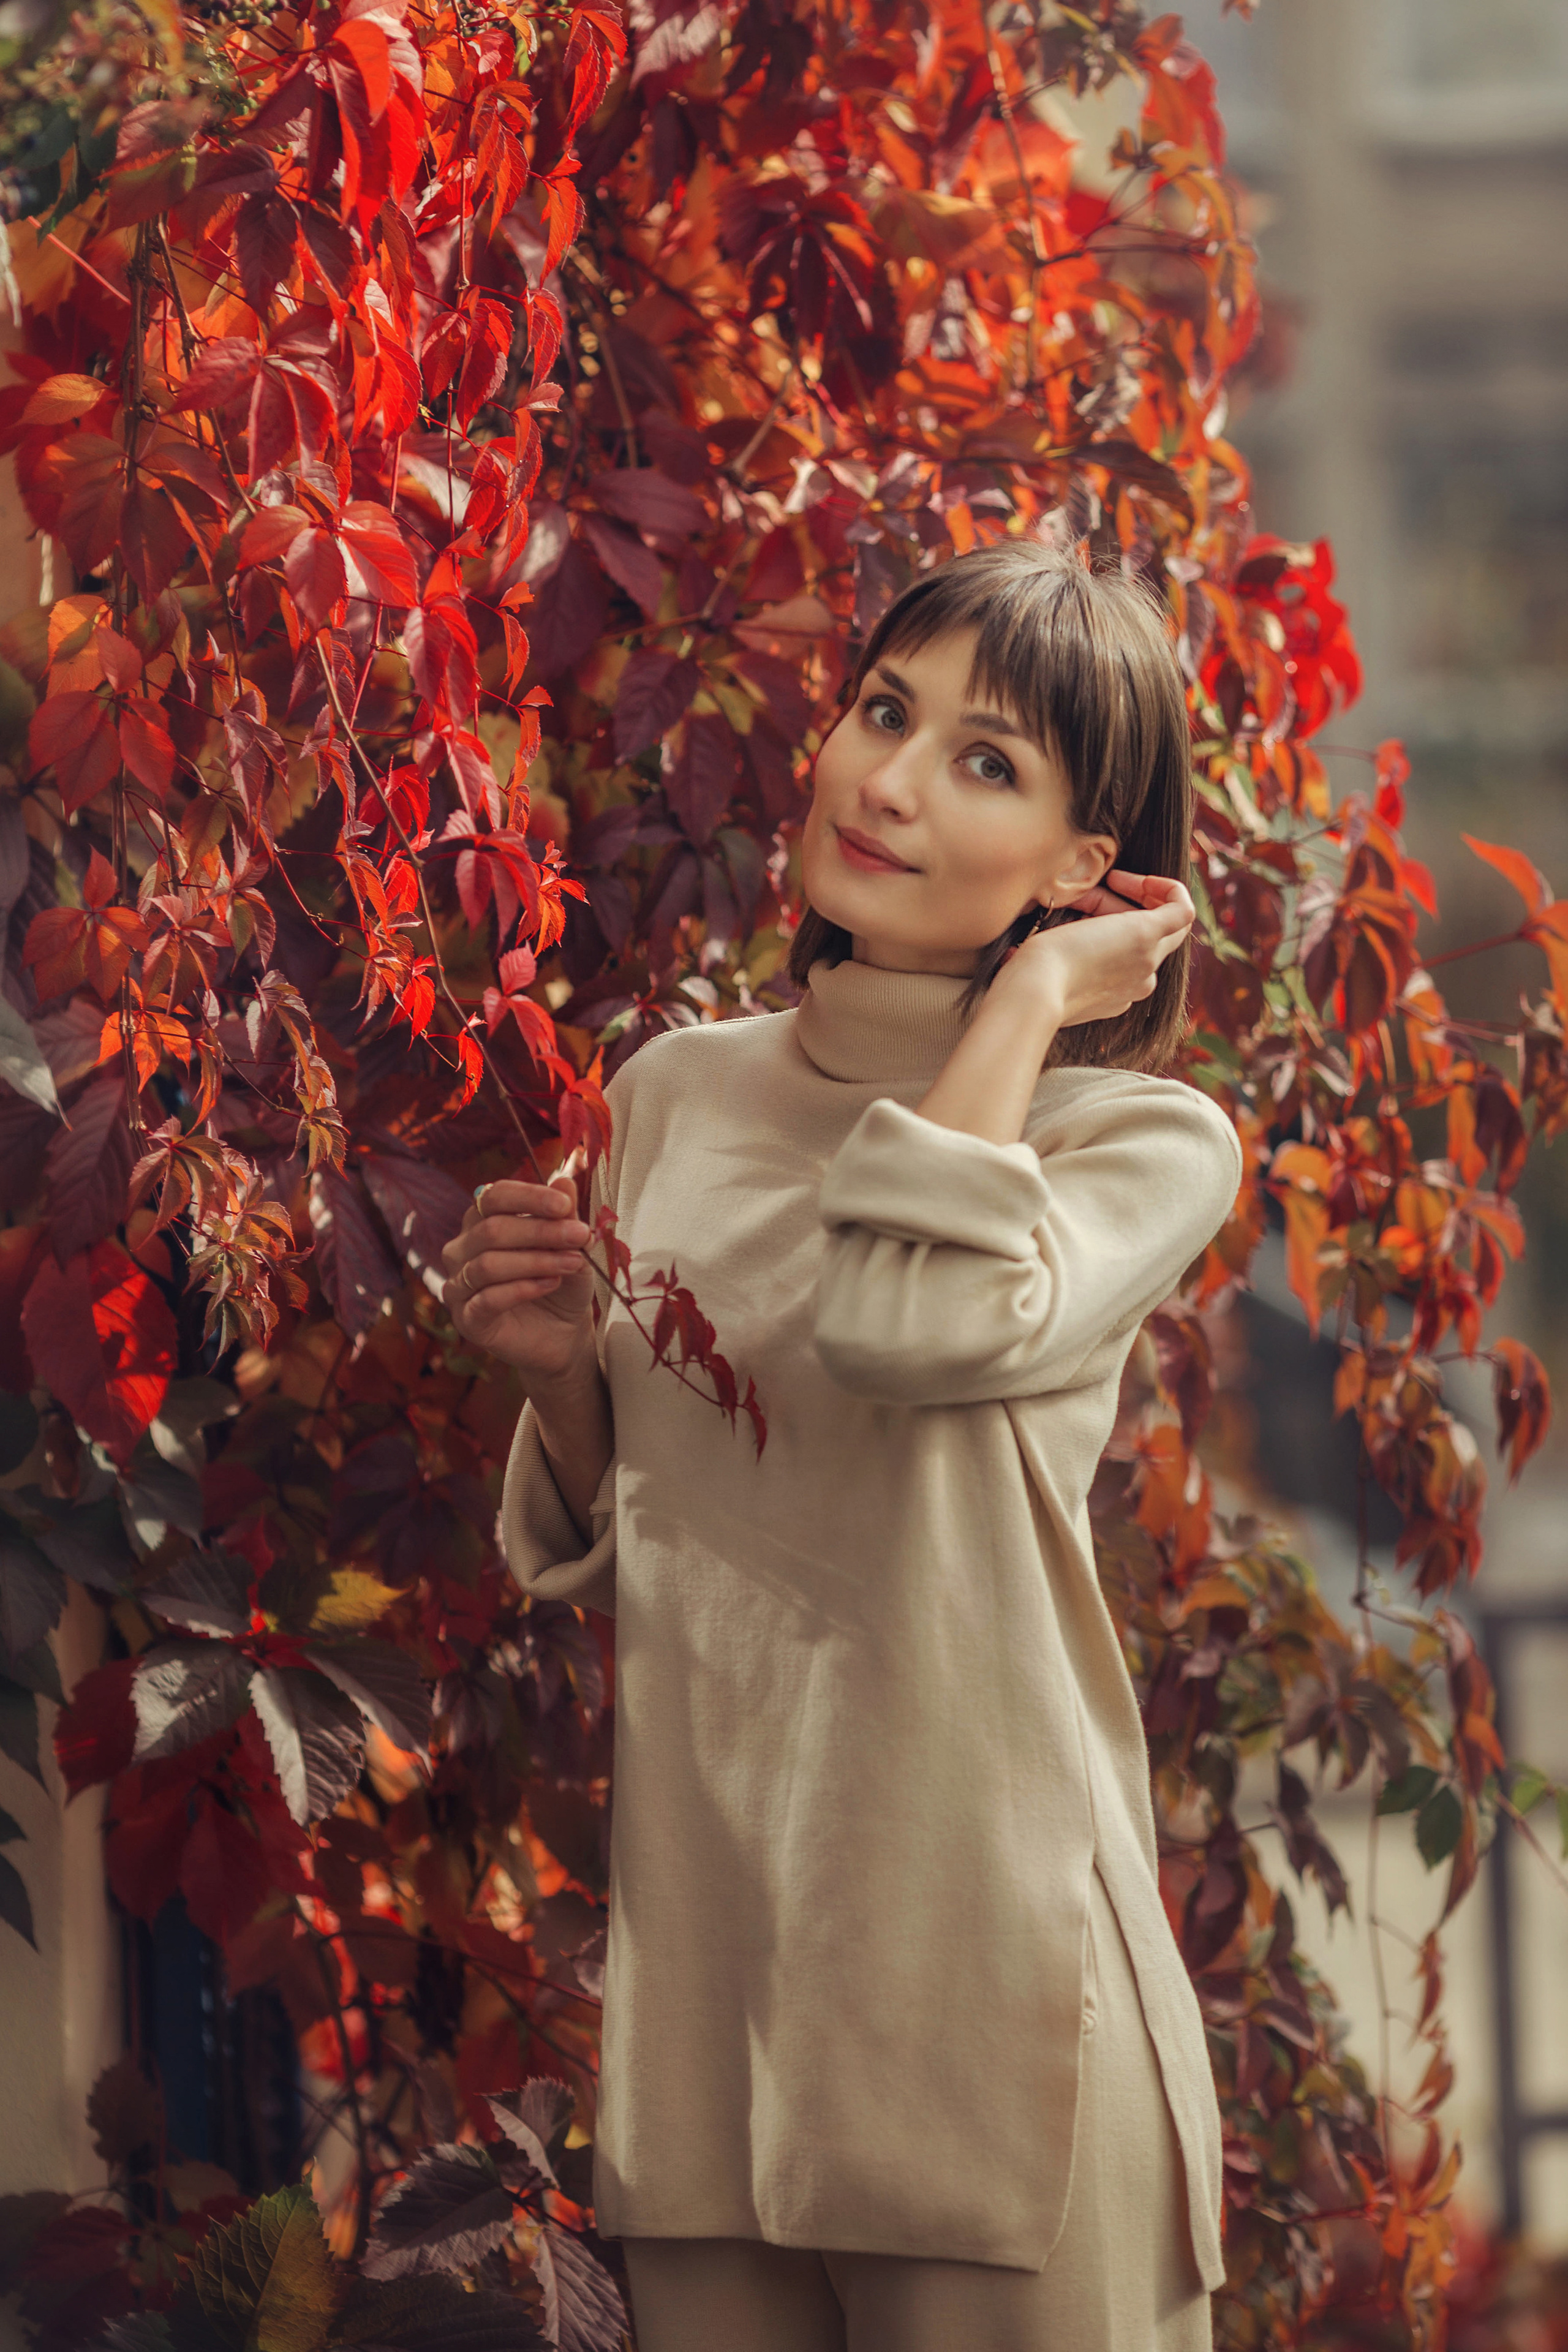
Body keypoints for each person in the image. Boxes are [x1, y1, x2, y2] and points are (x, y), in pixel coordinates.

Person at [442, 542, 1243, 2352]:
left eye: (986, 761)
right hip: (716, 1992)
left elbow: (904, 1325)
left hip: (993, 2011)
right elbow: (683, 1533)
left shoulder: (1134, 1143)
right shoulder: (673, 1095)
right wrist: (561, 1378)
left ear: (1085, 871)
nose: (888, 780)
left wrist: (1026, 1005)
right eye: (887, 711)